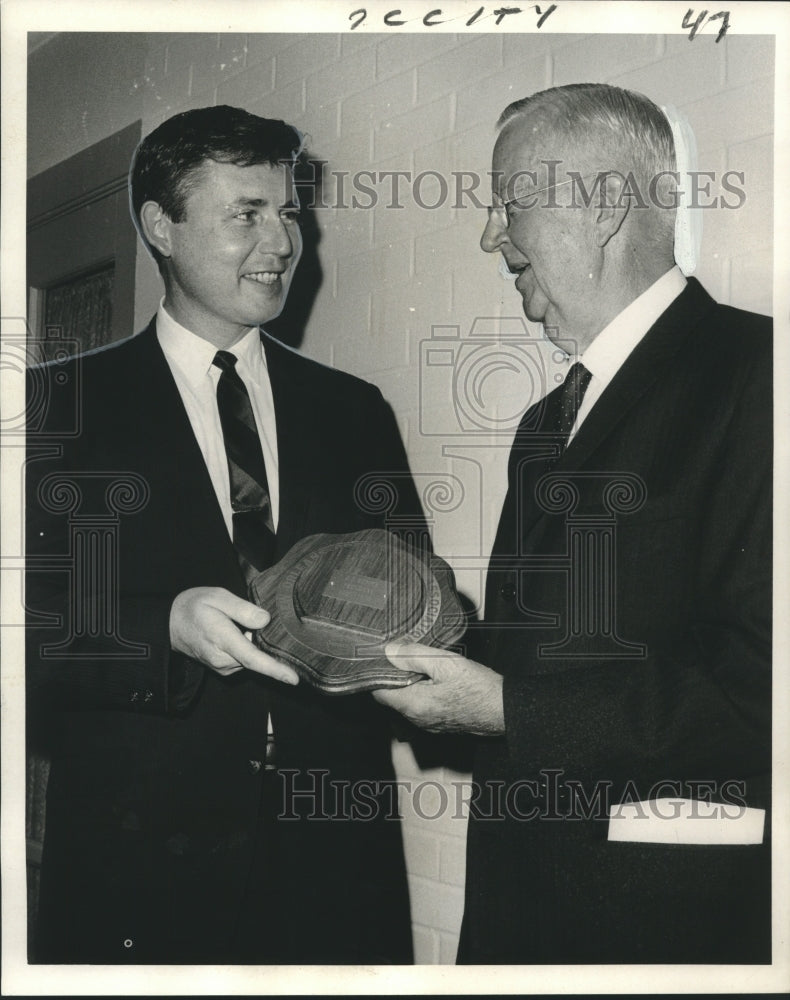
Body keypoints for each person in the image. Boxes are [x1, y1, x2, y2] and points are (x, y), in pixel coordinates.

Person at [373, 83, 772, 963]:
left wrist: (506, 708)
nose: (488, 235)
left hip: (666, 933)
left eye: (510, 202)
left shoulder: (760, 377)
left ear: (603, 206)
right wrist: (419, 640)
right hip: (522, 913)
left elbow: (761, 696)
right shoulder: (548, 419)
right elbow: (552, 660)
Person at [25, 105, 422, 964]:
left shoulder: (354, 411)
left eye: (289, 213)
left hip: (333, 858)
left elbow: (408, 591)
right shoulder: (56, 412)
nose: (282, 242)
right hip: (138, 865)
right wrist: (161, 629)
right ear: (159, 227)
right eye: (247, 213)